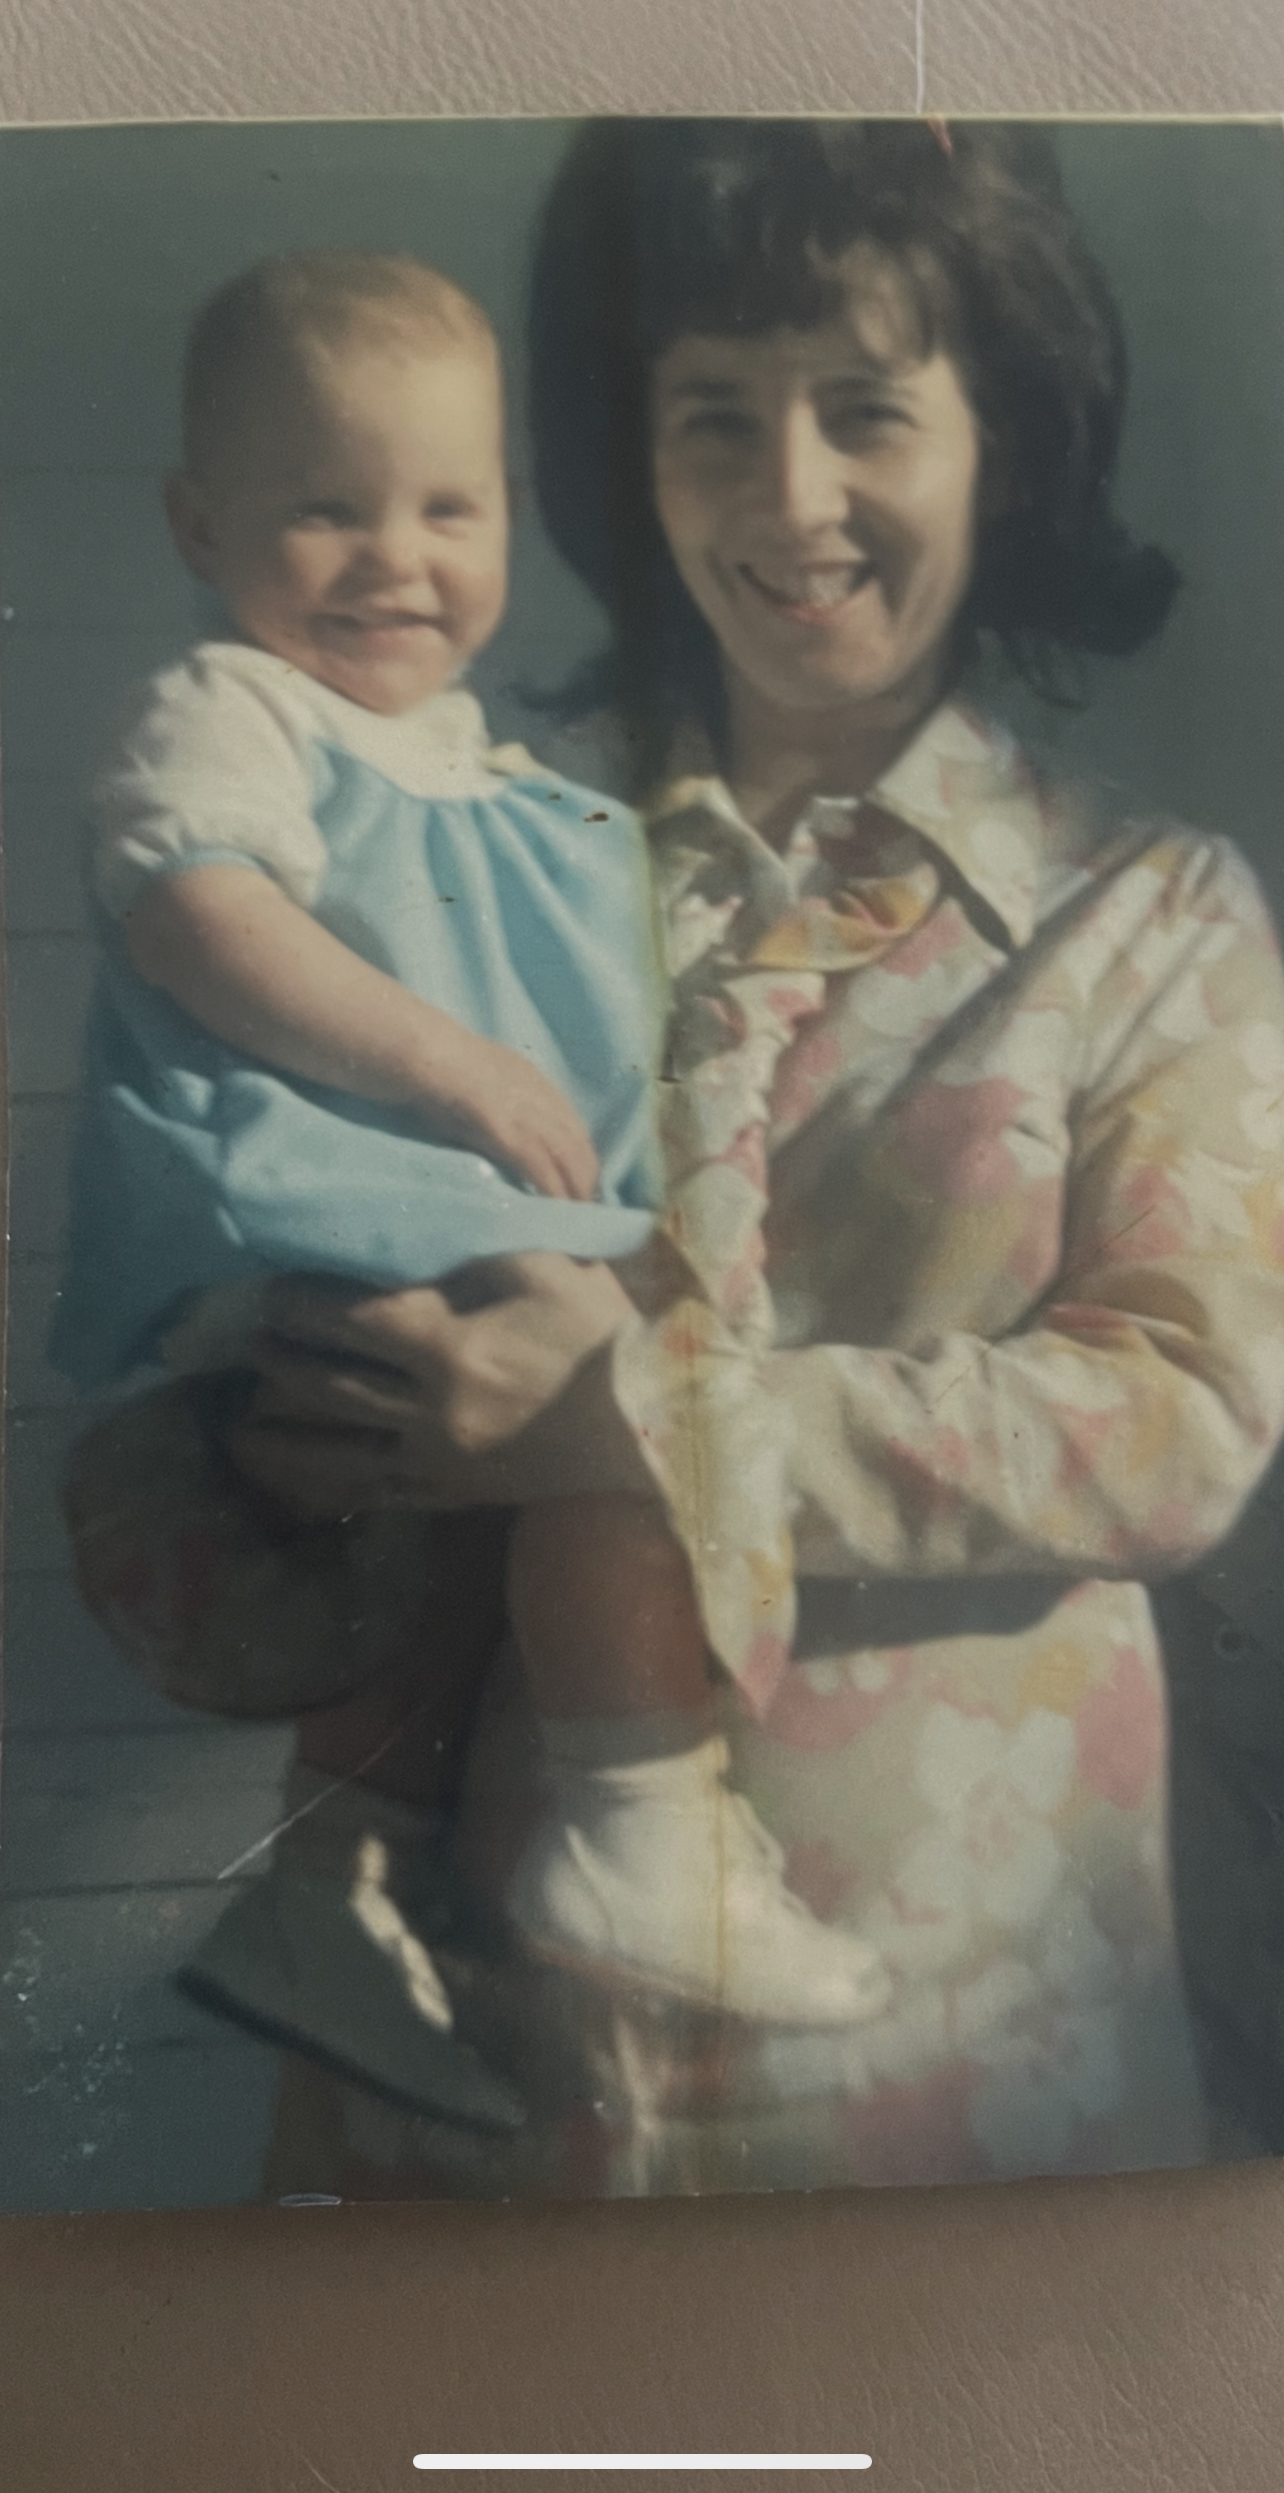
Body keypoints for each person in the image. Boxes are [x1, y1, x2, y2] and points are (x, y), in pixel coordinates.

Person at [67, 121, 1284, 2194]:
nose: (792, 496)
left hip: (947, 2084)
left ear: (1004, 437)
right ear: (623, 460)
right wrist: (296, 1440)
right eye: (714, 414)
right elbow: (191, 1514)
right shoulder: (447, 856)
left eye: (870, 411)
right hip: (471, 2107)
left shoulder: (1150, 917)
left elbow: (1180, 1425)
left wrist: (641, 1419)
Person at [52, 247, 889, 2129]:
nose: (392, 557)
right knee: (624, 1391)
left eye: (450, 505)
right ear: (204, 522)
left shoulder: (497, 773)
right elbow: (200, 917)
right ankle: (641, 1825)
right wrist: (454, 1064)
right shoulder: (232, 708)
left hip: (379, 1211)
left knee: (485, 1503)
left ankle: (327, 1891)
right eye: (324, 506)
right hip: (288, 1188)